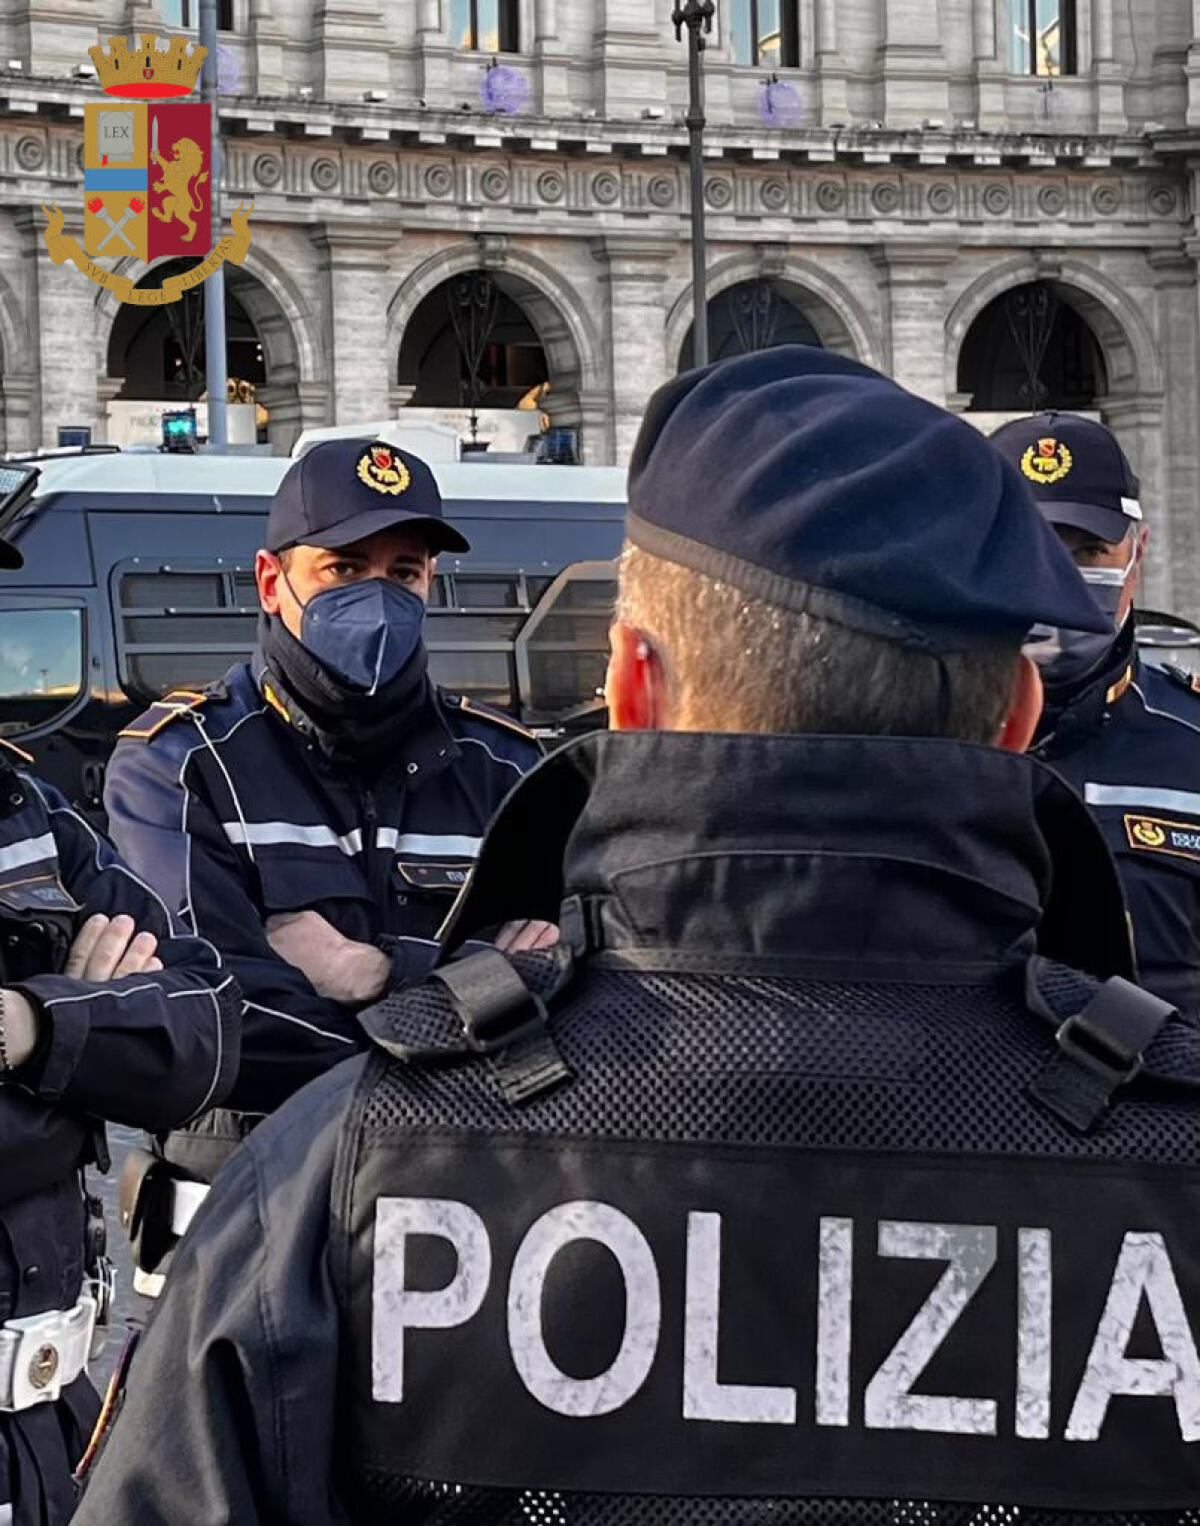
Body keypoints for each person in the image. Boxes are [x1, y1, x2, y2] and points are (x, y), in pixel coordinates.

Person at [75, 349, 1199, 1525]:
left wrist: (385, 987)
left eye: (403, 570)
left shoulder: (334, 1175)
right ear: (1018, 716)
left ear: (629, 683)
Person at [103, 438, 544, 1187]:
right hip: (250, 1205)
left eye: (403, 572)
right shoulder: (180, 764)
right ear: (272, 581)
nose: (377, 598)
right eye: (342, 569)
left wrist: (372, 972)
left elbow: (579, 997)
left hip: (457, 1203)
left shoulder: (504, 769)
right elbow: (214, 1020)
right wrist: (477, 995)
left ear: (430, 582)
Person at [0, 510, 240, 1525]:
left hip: (51, 1429)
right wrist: (83, 1084)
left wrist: (37, 1027)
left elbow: (209, 1020)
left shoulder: (29, 813)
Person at [991, 412, 1200, 1019]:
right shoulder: (911, 740)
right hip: (969, 1107)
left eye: (1089, 551)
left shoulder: (1189, 743)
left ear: (1139, 553)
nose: (1060, 578)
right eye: (1032, 548)